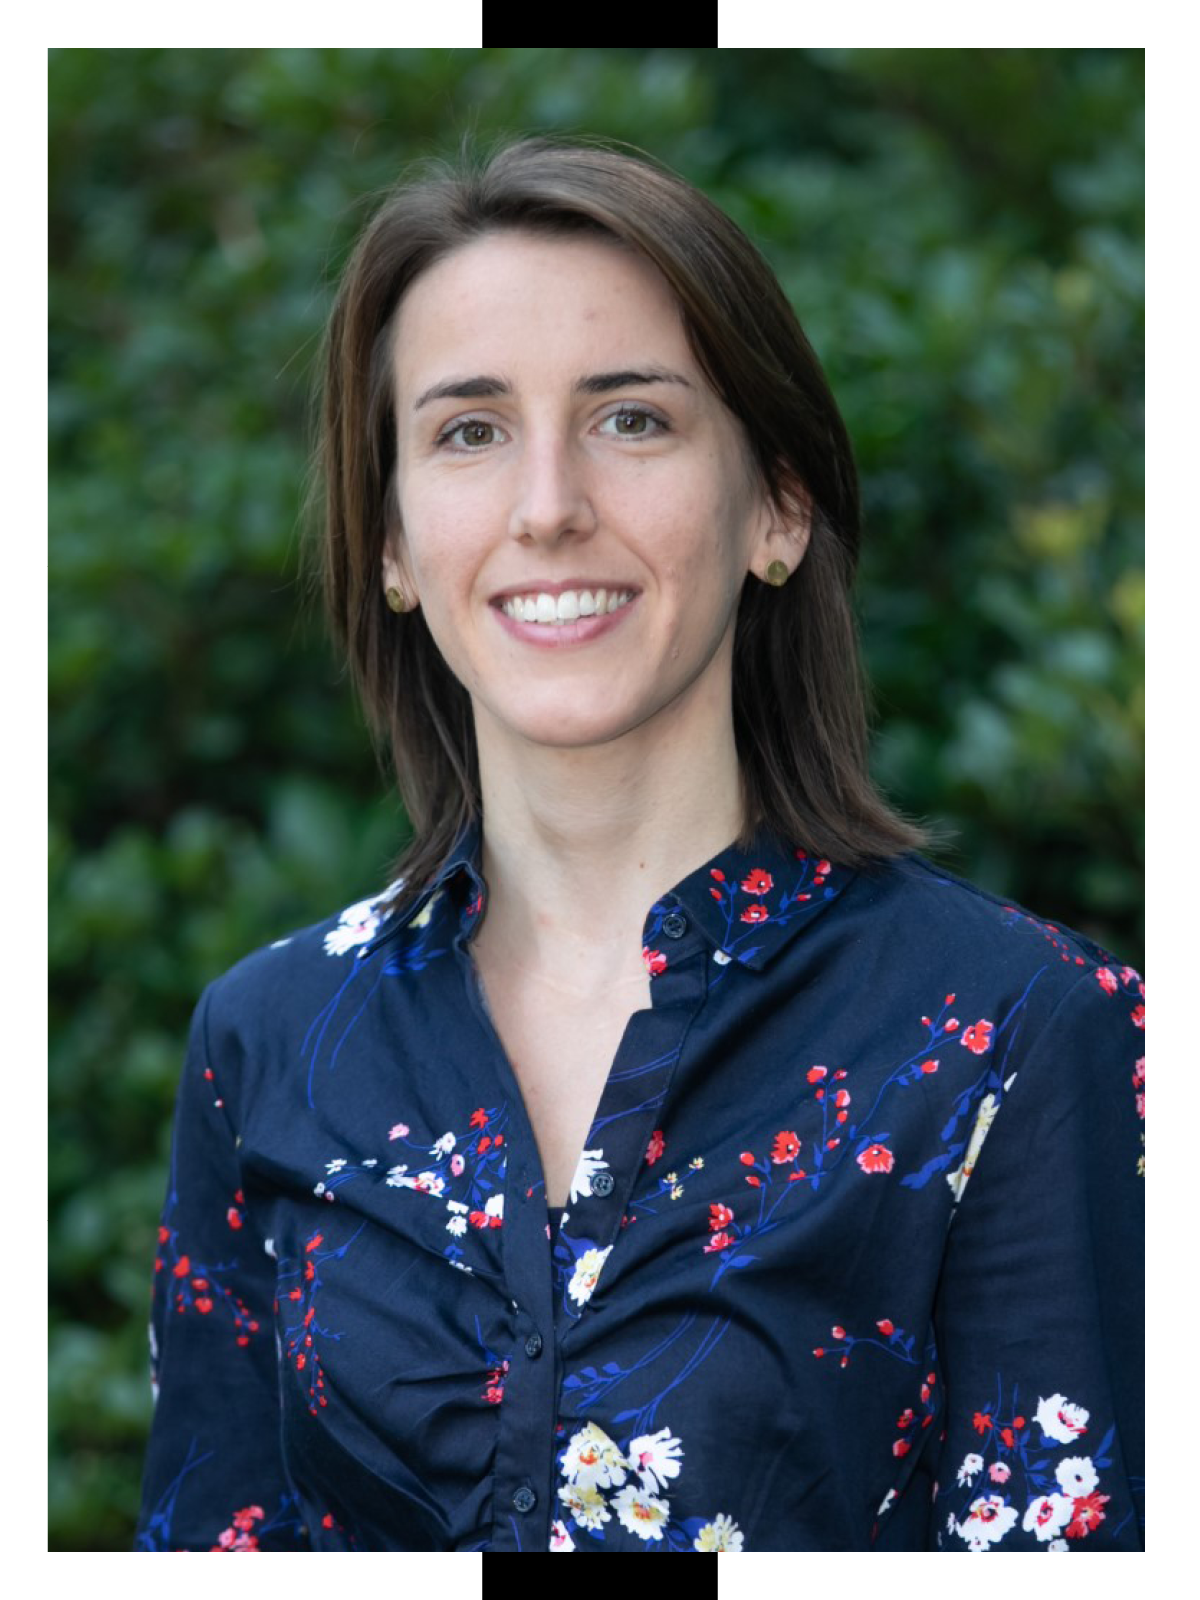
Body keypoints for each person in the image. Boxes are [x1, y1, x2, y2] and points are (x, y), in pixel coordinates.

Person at [134, 132, 1144, 1553]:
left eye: (631, 419)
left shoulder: (1024, 1032)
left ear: (777, 506)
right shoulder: (264, 1042)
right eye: (469, 432)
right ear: (395, 544)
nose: (548, 507)